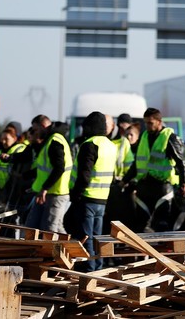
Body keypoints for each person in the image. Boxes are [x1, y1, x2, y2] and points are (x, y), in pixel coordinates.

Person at [122, 108, 185, 232]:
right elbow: (137, 163)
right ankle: (143, 250)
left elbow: (182, 162)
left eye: (150, 123)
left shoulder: (170, 138)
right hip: (144, 186)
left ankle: (163, 250)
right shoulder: (144, 136)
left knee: (161, 223)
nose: (147, 126)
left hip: (162, 187)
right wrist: (124, 180)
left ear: (159, 122)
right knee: (141, 223)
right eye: (145, 122)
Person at [68, 111, 117, 271]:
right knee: (97, 237)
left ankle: (89, 269)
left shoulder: (90, 144)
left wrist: (76, 194)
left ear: (90, 127)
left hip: (87, 197)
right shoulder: (110, 146)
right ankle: (98, 267)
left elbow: (84, 174)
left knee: (86, 236)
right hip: (102, 198)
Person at [25, 121, 73, 233]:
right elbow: (44, 168)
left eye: (35, 130)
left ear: (43, 127)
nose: (33, 133)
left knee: (50, 230)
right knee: (44, 227)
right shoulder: (50, 140)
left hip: (55, 193)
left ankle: (68, 249)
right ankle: (69, 248)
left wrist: (45, 188)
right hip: (48, 192)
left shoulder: (54, 141)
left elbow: (59, 168)